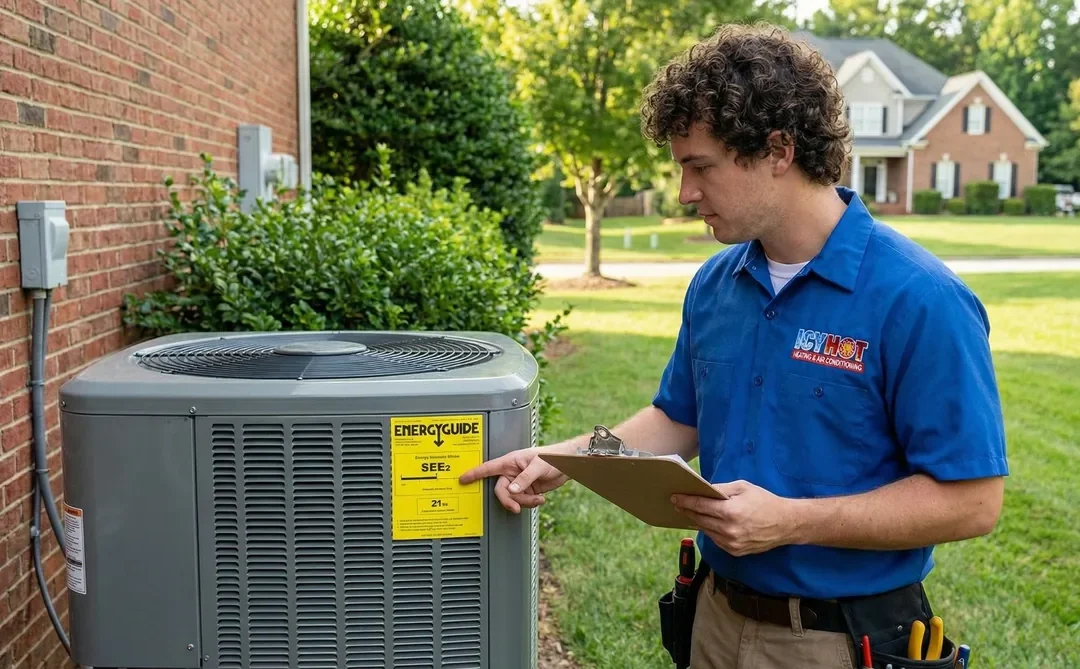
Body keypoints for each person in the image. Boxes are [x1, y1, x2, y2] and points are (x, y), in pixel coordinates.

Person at [459, 23, 1008, 669]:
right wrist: (569, 456)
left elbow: (973, 500)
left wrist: (793, 519)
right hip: (712, 618)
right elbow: (677, 417)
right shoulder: (717, 283)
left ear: (778, 150)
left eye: (701, 166)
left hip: (843, 640)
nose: (685, 193)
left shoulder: (919, 299)